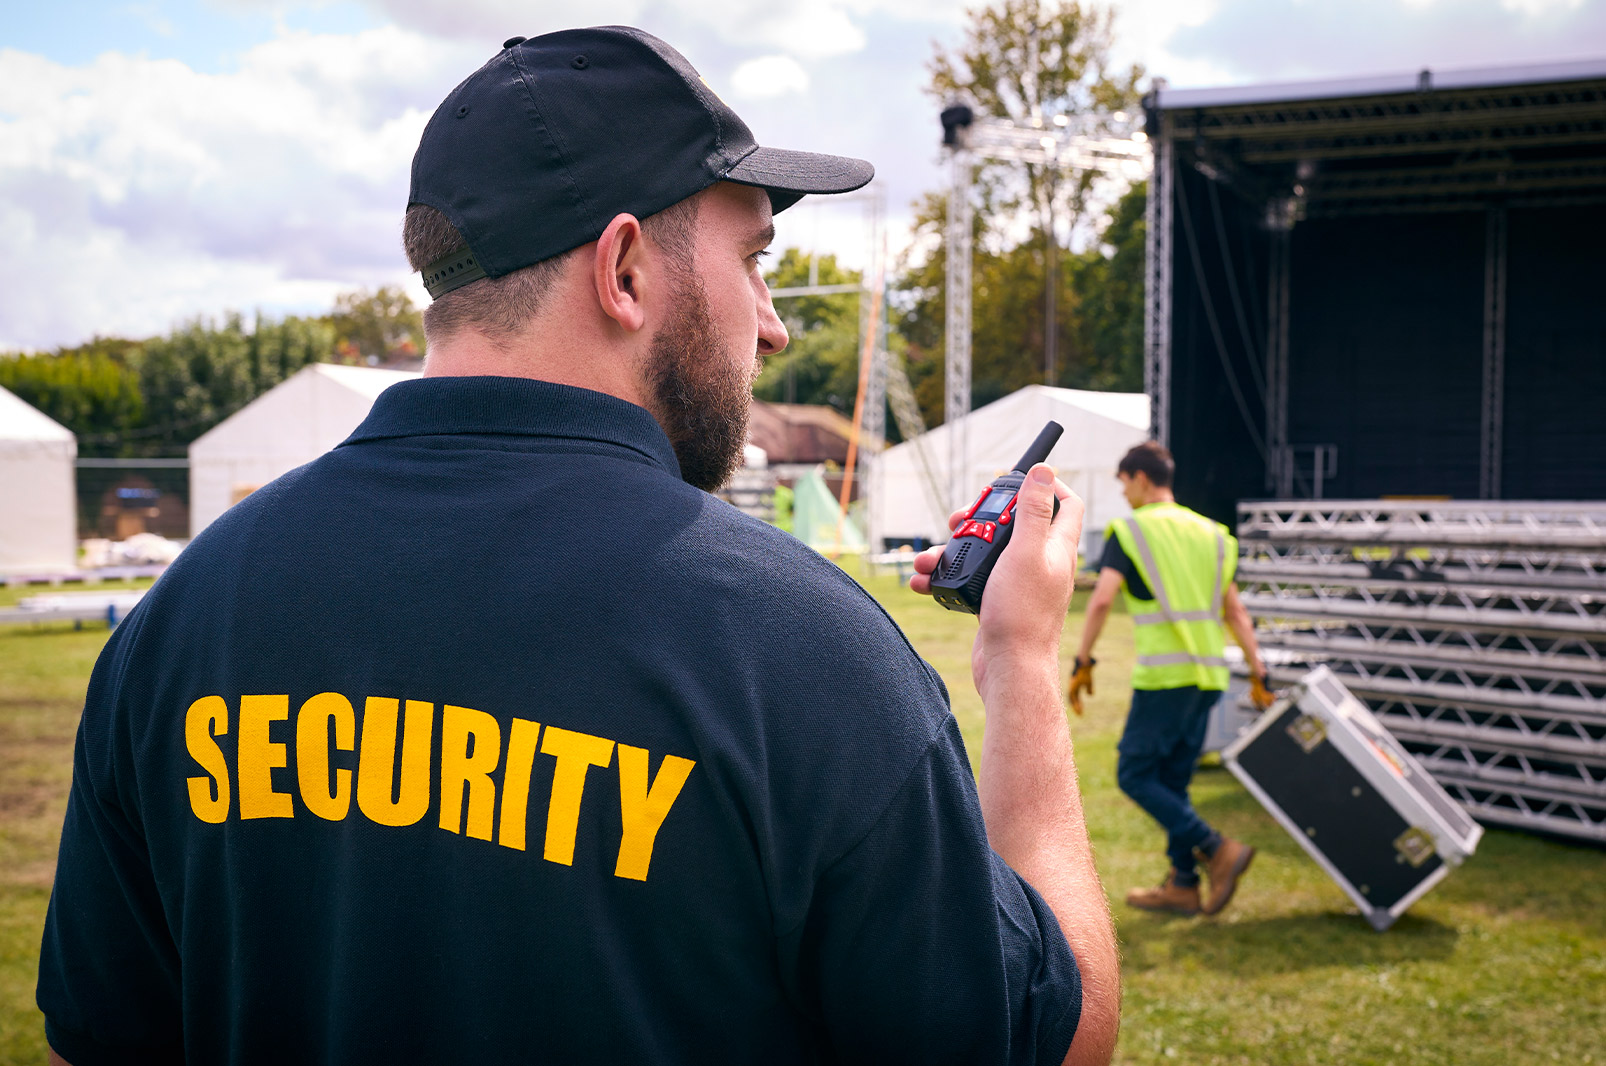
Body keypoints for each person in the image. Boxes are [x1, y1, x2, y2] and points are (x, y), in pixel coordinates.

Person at [38, 27, 1120, 1066]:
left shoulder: (185, 616)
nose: (773, 322)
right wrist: (1021, 661)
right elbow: (1054, 1040)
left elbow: (96, 1040)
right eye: (754, 260)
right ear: (626, 270)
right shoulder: (796, 649)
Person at [1067, 441, 1274, 917]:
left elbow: (1102, 599)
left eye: (1124, 484)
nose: (1124, 495)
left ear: (1140, 478)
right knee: (1173, 781)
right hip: (1209, 677)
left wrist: (1082, 661)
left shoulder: (1130, 531)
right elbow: (1235, 611)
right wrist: (1258, 671)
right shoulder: (1213, 534)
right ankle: (1183, 884)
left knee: (1135, 775)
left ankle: (1216, 848)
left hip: (1165, 678)